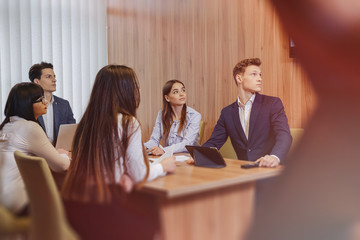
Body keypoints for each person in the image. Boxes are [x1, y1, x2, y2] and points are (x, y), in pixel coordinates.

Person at [61, 65, 176, 203]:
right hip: (105, 205)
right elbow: (139, 174)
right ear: (125, 91)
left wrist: (127, 176)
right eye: (135, 87)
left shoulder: (89, 121)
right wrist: (163, 166)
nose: (137, 91)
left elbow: (108, 163)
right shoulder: (128, 122)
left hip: (79, 203)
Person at [202, 58, 292, 167]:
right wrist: (197, 156)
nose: (259, 79)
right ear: (239, 78)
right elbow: (214, 142)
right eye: (254, 74)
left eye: (260, 75)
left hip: (271, 170)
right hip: (244, 171)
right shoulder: (227, 113)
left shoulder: (272, 103)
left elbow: (284, 135)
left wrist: (274, 157)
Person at [0, 82, 70, 214]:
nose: (46, 102)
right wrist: (64, 154)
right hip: (18, 201)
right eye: (40, 100)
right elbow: (61, 165)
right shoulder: (30, 128)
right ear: (26, 105)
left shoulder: (7, 126)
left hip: (4, 199)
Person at [145, 80, 201, 156]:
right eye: (176, 92)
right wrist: (143, 147)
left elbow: (187, 144)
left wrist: (164, 150)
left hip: (189, 158)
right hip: (169, 157)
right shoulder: (161, 114)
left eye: (183, 90)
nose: (182, 94)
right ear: (167, 98)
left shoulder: (194, 115)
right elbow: (154, 140)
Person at [29, 62, 76, 145]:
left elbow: (72, 131)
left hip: (60, 152)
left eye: (54, 77)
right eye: (48, 77)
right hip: (37, 153)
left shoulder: (64, 104)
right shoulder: (29, 105)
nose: (54, 80)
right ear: (36, 81)